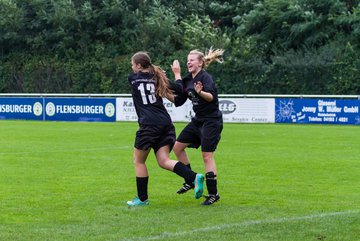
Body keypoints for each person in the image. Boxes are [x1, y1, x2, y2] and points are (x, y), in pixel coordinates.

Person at [126, 51, 204, 207]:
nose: (132, 68)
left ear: (139, 66)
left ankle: (142, 199)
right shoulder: (157, 78)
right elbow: (179, 89)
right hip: (165, 124)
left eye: (133, 65)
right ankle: (193, 177)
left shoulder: (132, 78)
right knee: (163, 161)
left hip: (148, 125)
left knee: (139, 161)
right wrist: (177, 74)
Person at [169, 48, 224, 205]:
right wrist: (164, 93)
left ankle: (213, 193)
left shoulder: (205, 78)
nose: (188, 62)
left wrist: (200, 92)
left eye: (192, 60)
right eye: (187, 60)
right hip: (198, 120)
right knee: (177, 148)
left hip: (211, 121)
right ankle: (190, 179)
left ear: (200, 63)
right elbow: (178, 101)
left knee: (207, 155)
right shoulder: (187, 80)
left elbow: (211, 97)